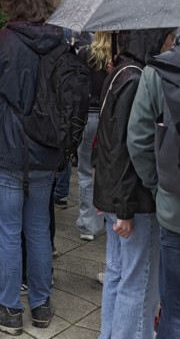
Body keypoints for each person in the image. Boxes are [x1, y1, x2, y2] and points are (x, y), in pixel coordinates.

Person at [0, 0, 65, 335]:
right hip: (46, 154)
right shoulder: (61, 42)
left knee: (8, 233)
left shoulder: (4, 42)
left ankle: (9, 309)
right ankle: (40, 305)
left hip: (6, 154)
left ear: (12, 0)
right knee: (38, 229)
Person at [94, 28, 174, 339]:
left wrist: (106, 200)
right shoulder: (137, 77)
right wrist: (124, 207)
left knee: (118, 274)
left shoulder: (120, 71)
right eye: (168, 38)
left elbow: (107, 145)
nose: (171, 44)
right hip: (133, 202)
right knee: (138, 283)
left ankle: (110, 334)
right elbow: (127, 148)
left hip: (117, 197)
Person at [127, 29, 180, 339]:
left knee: (175, 310)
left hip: (175, 209)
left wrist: (157, 186)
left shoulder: (157, 72)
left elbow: (137, 141)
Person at [75, 32, 111, 240]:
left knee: (85, 171)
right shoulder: (116, 57)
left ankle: (89, 224)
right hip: (108, 118)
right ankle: (108, 215)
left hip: (87, 116)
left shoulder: (85, 53)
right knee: (107, 170)